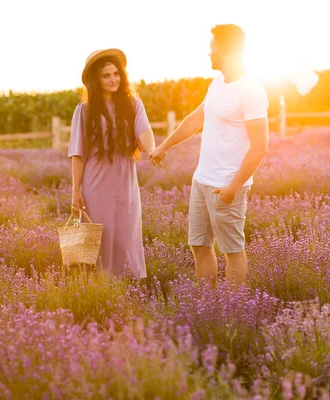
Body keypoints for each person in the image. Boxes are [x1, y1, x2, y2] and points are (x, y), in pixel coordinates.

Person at [150, 24, 269, 288]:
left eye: (212, 47)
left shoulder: (251, 91)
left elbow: (260, 146)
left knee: (232, 250)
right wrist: (165, 145)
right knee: (199, 245)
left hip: (227, 185)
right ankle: (209, 304)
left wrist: (233, 187)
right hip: (202, 180)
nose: (209, 53)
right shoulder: (217, 84)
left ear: (225, 50)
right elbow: (195, 119)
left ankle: (233, 310)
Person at [68, 48, 155, 279]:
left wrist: (154, 149)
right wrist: (75, 191)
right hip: (95, 183)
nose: (113, 79)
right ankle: (102, 288)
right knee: (101, 237)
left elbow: (145, 134)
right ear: (96, 80)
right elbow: (78, 154)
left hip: (126, 181)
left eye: (116, 74)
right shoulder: (84, 111)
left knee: (128, 234)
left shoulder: (133, 105)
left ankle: (131, 285)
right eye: (106, 75)